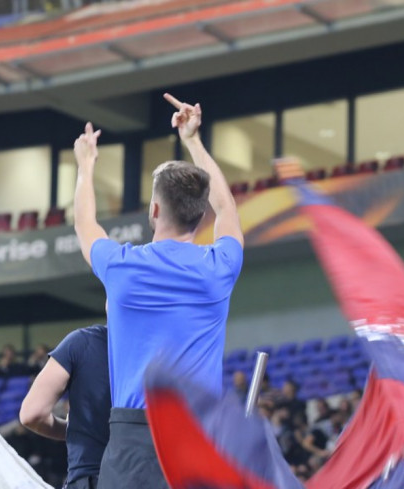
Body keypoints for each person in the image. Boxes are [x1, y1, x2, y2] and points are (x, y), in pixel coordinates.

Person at [71, 94, 244, 489]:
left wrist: (86, 165)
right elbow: (227, 209)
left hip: (132, 445)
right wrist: (193, 141)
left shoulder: (122, 267)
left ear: (153, 211)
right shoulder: (219, 268)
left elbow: (85, 224)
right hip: (198, 439)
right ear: (201, 215)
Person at [20, 325, 109, 489]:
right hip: (149, 476)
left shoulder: (82, 342)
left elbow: (31, 414)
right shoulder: (158, 347)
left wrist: (72, 429)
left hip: (91, 477)